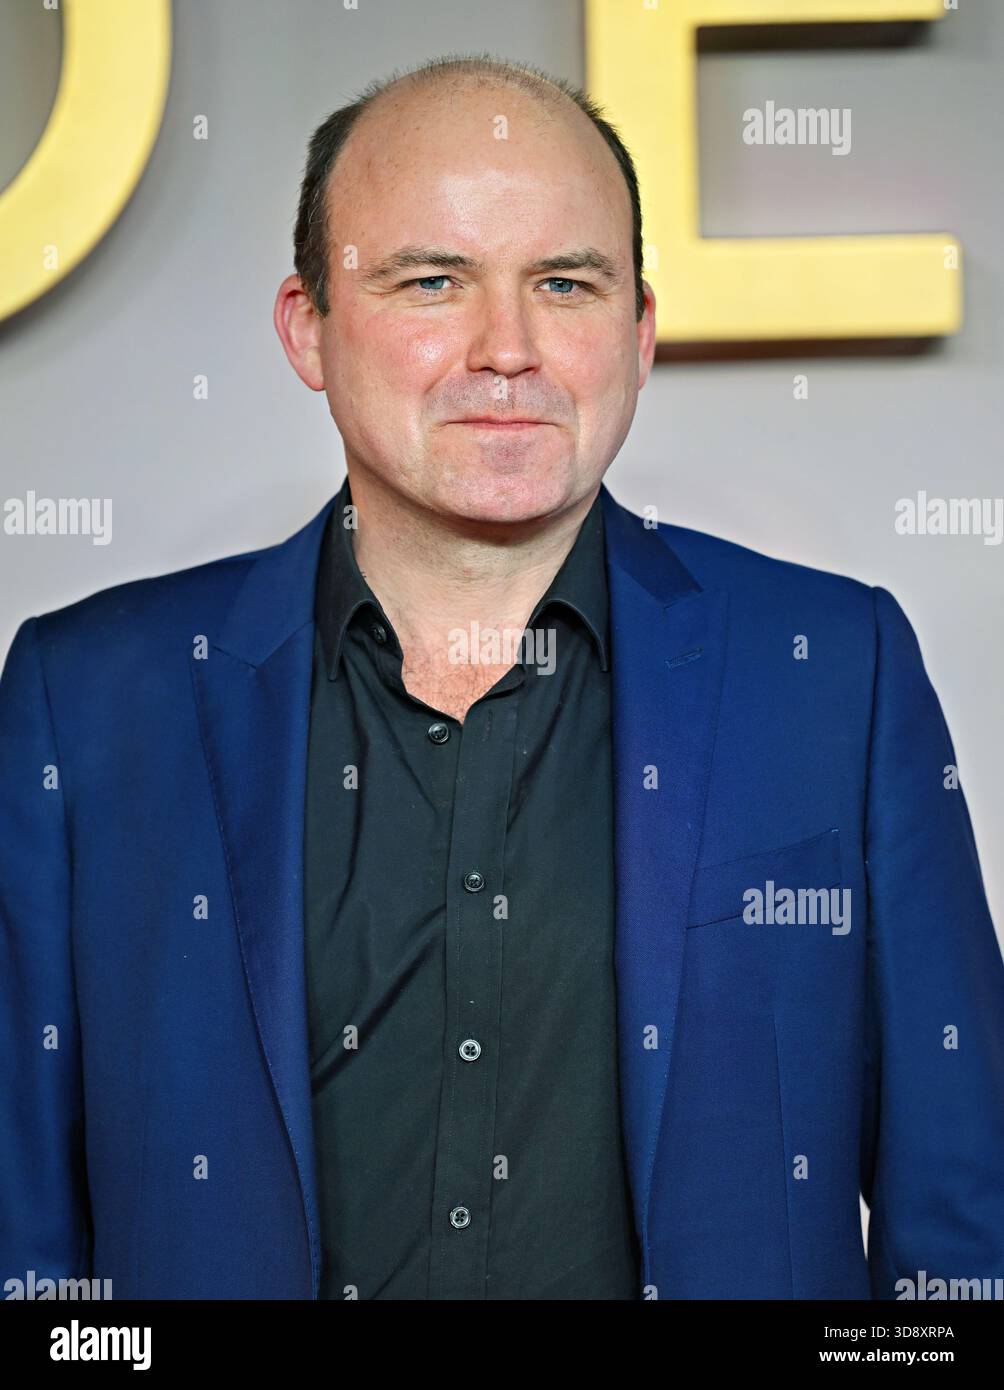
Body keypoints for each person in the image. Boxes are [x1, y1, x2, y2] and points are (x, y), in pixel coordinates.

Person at [1, 53, 1002, 1302]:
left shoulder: (834, 674)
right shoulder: (87, 700)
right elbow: (24, 1247)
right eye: (433, 280)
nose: (507, 349)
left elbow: (962, 1233)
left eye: (564, 284)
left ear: (636, 333)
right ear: (306, 326)